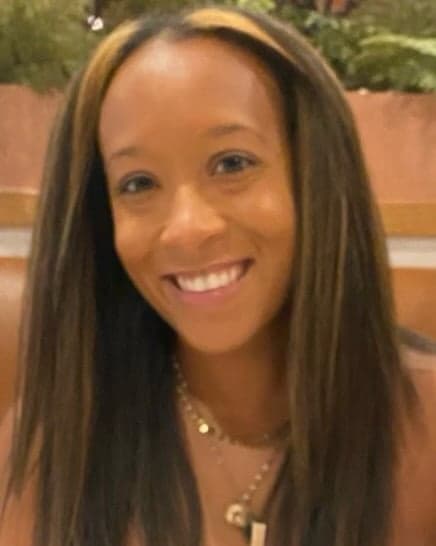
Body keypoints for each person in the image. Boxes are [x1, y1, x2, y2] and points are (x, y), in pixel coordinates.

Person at [1, 5, 435, 546]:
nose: (187, 229)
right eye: (138, 184)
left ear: (317, 175)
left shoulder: (423, 428)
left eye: (232, 164)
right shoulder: (51, 453)